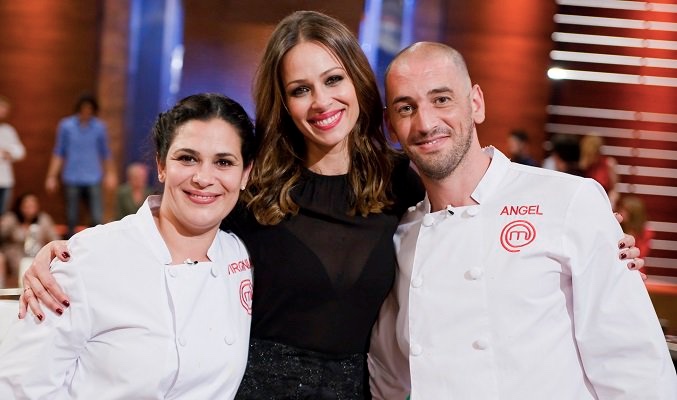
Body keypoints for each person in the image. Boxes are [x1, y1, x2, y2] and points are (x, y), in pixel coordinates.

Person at [17, 11, 643, 400]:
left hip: (359, 391)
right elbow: (173, 217)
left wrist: (603, 252)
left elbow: (481, 214)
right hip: (255, 390)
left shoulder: (403, 181)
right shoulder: (256, 190)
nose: (321, 101)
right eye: (299, 89)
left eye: (333, 79)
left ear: (357, 81)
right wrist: (59, 255)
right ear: (283, 102)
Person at [368, 42, 676, 399]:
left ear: (476, 103)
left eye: (441, 99)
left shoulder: (570, 200)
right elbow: (385, 377)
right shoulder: (402, 235)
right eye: (407, 108)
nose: (425, 123)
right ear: (391, 127)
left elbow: (634, 363)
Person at [0, 93, 255, 399]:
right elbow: (19, 386)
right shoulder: (88, 258)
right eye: (187, 158)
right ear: (161, 165)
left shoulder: (240, 254)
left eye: (224, 162)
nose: (203, 177)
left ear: (245, 173)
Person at [44, 94, 117, 238]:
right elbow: (59, 152)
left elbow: (106, 152)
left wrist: (110, 173)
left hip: (93, 176)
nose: (86, 111)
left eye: (90, 108)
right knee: (71, 218)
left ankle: (96, 244)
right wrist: (51, 176)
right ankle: (70, 250)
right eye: (84, 108)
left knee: (97, 217)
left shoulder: (99, 127)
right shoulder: (66, 126)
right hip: (72, 176)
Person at [0, 193, 59, 288]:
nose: (30, 209)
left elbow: (55, 239)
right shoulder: (11, 218)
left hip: (38, 256)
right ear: (20, 206)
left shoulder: (44, 219)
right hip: (13, 257)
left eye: (33, 206)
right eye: (27, 206)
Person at [0, 95, 26, 214]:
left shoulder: (8, 130)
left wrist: (10, 153)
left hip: (5, 180)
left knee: (3, 215)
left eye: (5, 109)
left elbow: (21, 151)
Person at [580, 134, 619, 209]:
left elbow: (614, 189)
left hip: (604, 204)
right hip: (586, 203)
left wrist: (611, 204)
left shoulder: (609, 163)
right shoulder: (582, 166)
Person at [618, 194, 654, 260]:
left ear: (634, 214)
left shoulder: (646, 232)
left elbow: (641, 253)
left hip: (635, 265)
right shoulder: (618, 226)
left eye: (625, 210)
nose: (621, 212)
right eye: (621, 208)